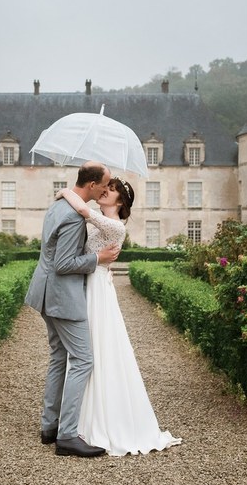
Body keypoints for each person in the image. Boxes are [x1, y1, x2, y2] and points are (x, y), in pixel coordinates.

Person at [57, 177, 182, 456]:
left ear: (120, 202)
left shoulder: (113, 224)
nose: (104, 191)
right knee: (89, 349)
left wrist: (66, 190)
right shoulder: (102, 220)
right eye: (106, 187)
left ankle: (95, 420)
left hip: (98, 289)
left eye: (111, 190)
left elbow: (82, 211)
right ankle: (77, 419)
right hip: (94, 283)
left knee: (97, 348)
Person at [24, 161, 120, 458]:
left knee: (58, 357)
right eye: (104, 184)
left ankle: (48, 427)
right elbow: (64, 264)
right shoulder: (74, 218)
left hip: (44, 292)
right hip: (62, 298)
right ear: (92, 185)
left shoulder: (58, 204)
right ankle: (67, 436)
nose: (107, 189)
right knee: (83, 360)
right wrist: (98, 259)